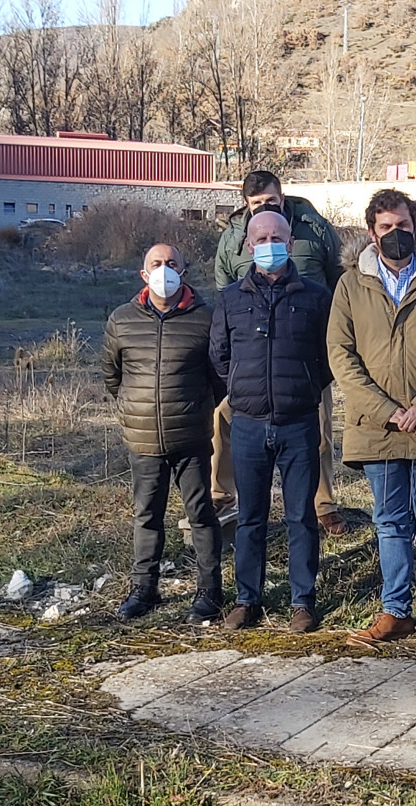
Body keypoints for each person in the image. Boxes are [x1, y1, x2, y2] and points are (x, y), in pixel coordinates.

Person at [328, 189, 416, 661]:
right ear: (372, 232)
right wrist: (387, 409)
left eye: (403, 226)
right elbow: (342, 357)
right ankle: (395, 611)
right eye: (386, 228)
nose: (396, 235)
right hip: (378, 427)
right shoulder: (350, 285)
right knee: (390, 523)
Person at [209, 212, 332, 633]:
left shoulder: (316, 297)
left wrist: (304, 386)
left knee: (300, 516)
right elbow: (219, 356)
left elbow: (329, 358)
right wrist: (244, 388)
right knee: (251, 517)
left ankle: (302, 601)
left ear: (291, 240)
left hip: (299, 422)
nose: (269, 242)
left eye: (277, 236)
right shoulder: (229, 298)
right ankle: (247, 599)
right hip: (247, 423)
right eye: (260, 237)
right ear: (247, 245)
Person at [212, 170, 348, 536]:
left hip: (307, 351)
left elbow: (340, 280)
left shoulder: (315, 229)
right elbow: (224, 294)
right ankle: (221, 495)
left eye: (271, 201)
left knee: (318, 430)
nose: (264, 207)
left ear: (282, 197)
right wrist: (237, 371)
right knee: (223, 422)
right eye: (257, 204)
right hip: (251, 360)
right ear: (246, 205)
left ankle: (323, 504)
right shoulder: (232, 239)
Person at [102, 244, 224, 624]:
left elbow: (219, 376)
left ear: (184, 271)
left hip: (191, 436)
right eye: (156, 264)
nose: (164, 270)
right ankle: (144, 588)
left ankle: (209, 591)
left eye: (172, 264)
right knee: (146, 515)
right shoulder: (122, 320)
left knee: (201, 513)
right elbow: (112, 375)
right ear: (143, 274)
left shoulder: (205, 317)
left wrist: (198, 408)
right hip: (142, 439)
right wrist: (133, 410)